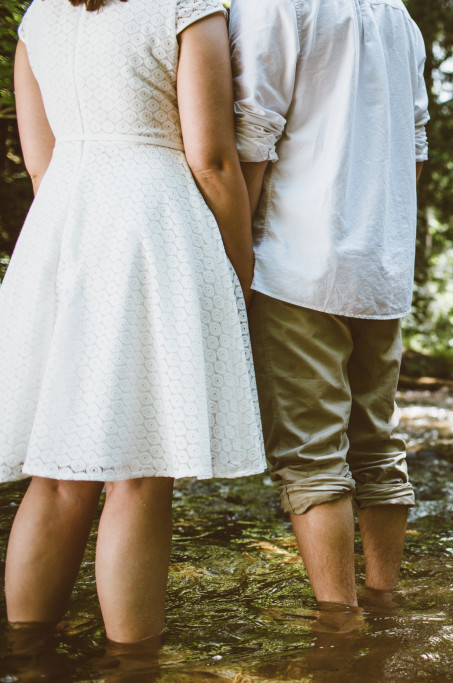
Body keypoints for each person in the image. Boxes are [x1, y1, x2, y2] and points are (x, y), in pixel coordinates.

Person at [0, 0, 265, 645]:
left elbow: (40, 162)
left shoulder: (38, 17)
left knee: (60, 471)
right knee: (139, 469)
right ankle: (133, 667)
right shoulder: (185, 8)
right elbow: (211, 157)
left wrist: (76, 234)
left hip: (62, 226)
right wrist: (239, 268)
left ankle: (28, 657)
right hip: (153, 226)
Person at [229, 0, 428, 608]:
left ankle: (339, 631)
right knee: (377, 443)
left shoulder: (275, 6)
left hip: (297, 263)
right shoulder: (400, 17)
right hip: (381, 268)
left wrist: (234, 257)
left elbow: (251, 140)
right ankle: (385, 605)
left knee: (313, 455)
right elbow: (415, 146)